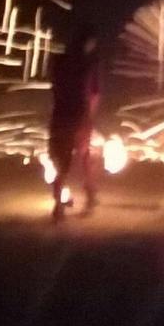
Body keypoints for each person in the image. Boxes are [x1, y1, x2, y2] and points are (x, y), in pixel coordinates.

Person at [47, 29, 102, 221]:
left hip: (60, 116)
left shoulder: (58, 61)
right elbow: (95, 94)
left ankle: (58, 207)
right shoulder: (89, 63)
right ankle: (90, 198)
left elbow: (54, 87)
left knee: (62, 163)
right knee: (85, 158)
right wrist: (89, 118)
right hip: (79, 117)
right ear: (88, 44)